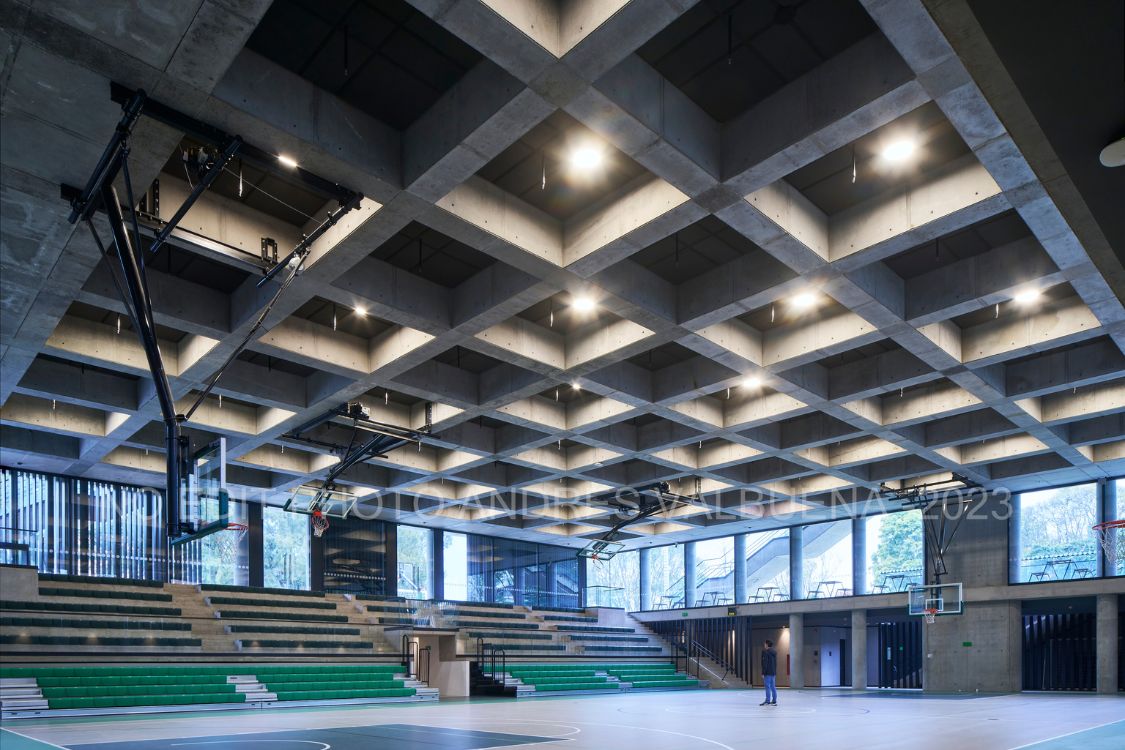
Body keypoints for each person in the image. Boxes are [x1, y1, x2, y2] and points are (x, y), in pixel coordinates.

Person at [760, 639, 778, 706]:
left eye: (765, 644)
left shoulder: (765, 652)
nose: (764, 645)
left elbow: (765, 663)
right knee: (773, 686)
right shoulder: (774, 652)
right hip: (773, 672)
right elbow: (775, 663)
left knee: (767, 687)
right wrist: (775, 671)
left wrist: (763, 672)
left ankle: (767, 701)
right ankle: (774, 701)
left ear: (767, 644)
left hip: (767, 672)